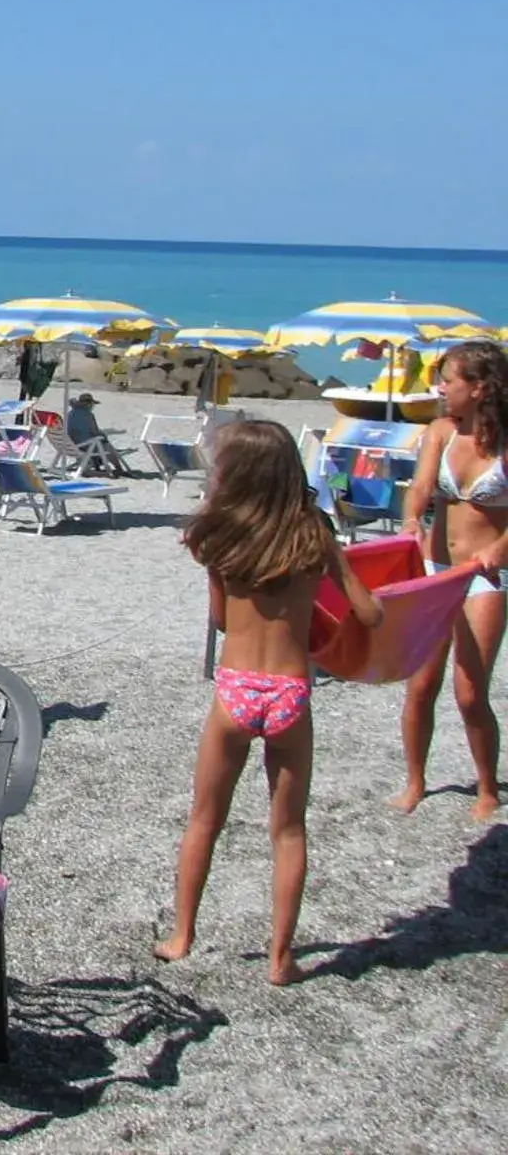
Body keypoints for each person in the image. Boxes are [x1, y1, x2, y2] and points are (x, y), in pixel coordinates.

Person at [155, 420, 383, 984]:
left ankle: (182, 935)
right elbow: (371, 613)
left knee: (205, 819)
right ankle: (281, 958)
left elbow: (219, 619)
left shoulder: (218, 540)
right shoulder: (315, 538)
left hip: (235, 690)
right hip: (291, 694)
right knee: (288, 830)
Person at [394, 340, 508, 819]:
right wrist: (411, 522)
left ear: (479, 388)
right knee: (420, 684)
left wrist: (496, 552)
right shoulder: (438, 431)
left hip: (485, 576)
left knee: (469, 690)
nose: (439, 387)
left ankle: (486, 787)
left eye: (448, 379)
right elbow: (421, 487)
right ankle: (415, 781)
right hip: (435, 571)